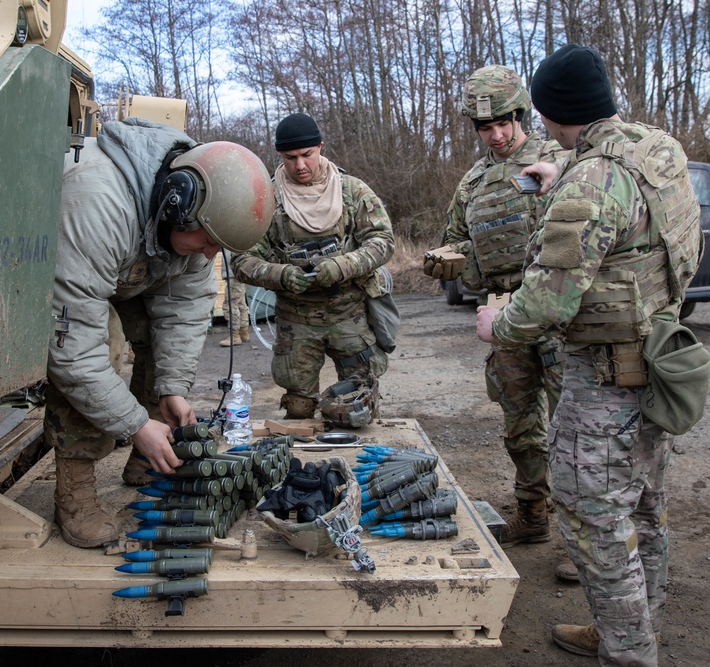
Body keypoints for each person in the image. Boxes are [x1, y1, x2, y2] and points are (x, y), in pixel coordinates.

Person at [476, 45, 703, 665]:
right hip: (658, 361)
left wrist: (499, 323)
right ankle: (631, 628)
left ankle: (629, 653)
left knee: (593, 520)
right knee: (647, 508)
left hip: (607, 380)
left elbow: (548, 304)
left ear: (548, 111)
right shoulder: (656, 148)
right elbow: (643, 235)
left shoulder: (592, 179)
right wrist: (564, 182)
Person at [46, 117, 274, 548]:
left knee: (159, 343)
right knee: (103, 348)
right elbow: (74, 350)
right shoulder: (97, 203)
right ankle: (75, 489)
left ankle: (147, 460)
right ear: (177, 204)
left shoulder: (193, 226)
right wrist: (134, 423)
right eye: (207, 240)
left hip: (118, 270)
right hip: (60, 271)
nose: (210, 254)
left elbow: (184, 311)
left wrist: (172, 389)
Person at [426, 65, 568, 554]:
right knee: (520, 423)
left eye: (505, 122)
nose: (498, 134)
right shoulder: (474, 181)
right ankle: (534, 511)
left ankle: (581, 538)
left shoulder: (559, 160)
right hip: (504, 315)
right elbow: (455, 240)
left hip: (558, 312)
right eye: (486, 127)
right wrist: (448, 263)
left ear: (521, 114)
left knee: (575, 427)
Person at [232, 113, 395, 419]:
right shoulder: (267, 200)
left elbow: (383, 242)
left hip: (349, 317)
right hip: (297, 322)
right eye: (290, 157)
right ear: (280, 155)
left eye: (307, 154)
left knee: (357, 406)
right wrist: (281, 274)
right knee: (298, 408)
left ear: (320, 146)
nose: (300, 165)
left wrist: (344, 265)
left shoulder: (352, 192)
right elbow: (241, 260)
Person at [218, 248, 250, 347]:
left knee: (230, 305)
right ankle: (243, 332)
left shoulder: (230, 237)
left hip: (233, 272)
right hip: (239, 272)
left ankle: (234, 336)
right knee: (241, 303)